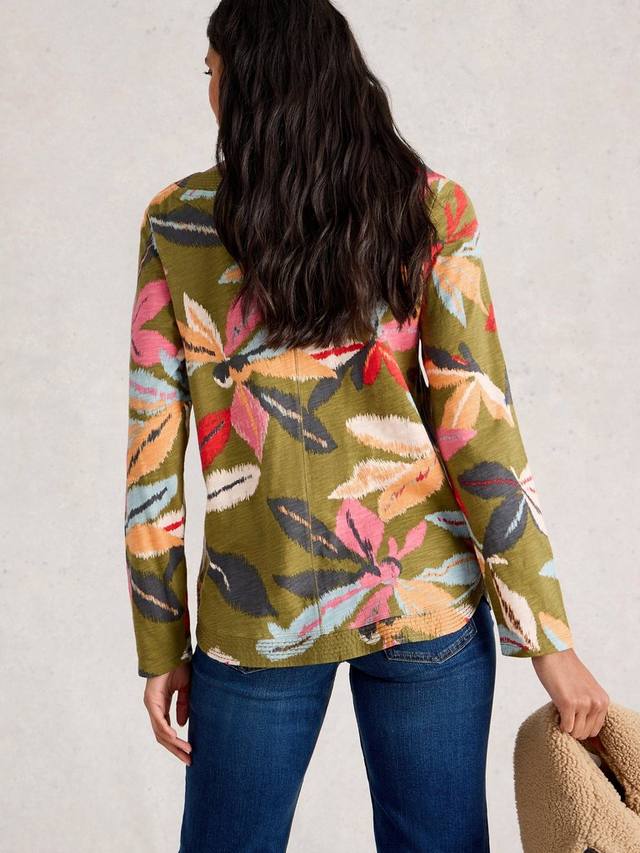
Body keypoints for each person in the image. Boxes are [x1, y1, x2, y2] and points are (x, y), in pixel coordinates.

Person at [123, 2, 609, 850]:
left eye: (212, 72)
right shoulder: (430, 208)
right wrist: (548, 639)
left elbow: (151, 457)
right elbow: (481, 430)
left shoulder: (180, 222)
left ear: (250, 85)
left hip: (257, 605)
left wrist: (162, 639)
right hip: (423, 593)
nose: (209, 91)